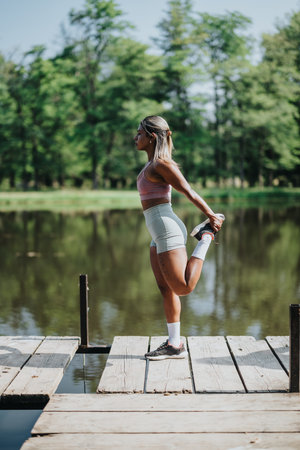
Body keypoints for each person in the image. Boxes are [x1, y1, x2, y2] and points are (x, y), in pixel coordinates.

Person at [135, 115, 224, 360]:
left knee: (183, 288)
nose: (135, 138)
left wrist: (210, 216)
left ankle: (205, 237)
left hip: (167, 229)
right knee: (166, 288)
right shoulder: (150, 164)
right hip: (157, 232)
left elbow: (188, 190)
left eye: (139, 134)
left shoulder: (162, 164)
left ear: (152, 137)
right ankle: (174, 344)